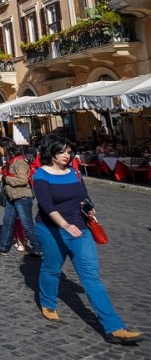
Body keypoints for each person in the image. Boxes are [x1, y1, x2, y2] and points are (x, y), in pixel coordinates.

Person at [32, 134, 143, 344]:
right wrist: (64, 224)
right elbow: (47, 206)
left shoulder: (74, 172)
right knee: (52, 268)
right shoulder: (41, 175)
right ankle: (47, 303)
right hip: (51, 229)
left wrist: (89, 209)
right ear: (50, 152)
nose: (67, 155)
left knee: (91, 277)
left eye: (68, 151)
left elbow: (83, 196)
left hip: (80, 230)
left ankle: (114, 327)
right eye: (62, 151)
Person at [0, 137, 41, 257]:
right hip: (12, 196)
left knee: (27, 224)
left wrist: (4, 178)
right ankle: (3, 246)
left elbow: (22, 180)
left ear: (5, 148)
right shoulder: (10, 161)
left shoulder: (18, 161)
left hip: (22, 196)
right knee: (7, 222)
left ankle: (39, 248)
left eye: (0, 148)